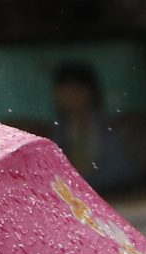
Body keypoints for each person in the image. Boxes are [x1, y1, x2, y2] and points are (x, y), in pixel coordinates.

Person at [50, 60, 133, 192]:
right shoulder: (57, 132)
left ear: (90, 92)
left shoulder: (110, 127)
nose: (71, 96)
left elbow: (120, 171)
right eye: (65, 91)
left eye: (76, 90)